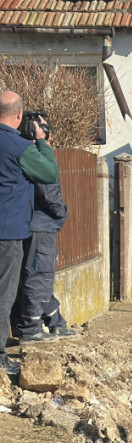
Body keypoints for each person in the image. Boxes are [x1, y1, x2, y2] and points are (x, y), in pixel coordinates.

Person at [0, 91, 60, 375]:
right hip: (8, 233)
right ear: (19, 115)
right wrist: (42, 142)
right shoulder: (17, 145)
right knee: (4, 294)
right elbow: (48, 173)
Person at [13, 166, 77, 342]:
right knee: (39, 276)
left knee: (38, 277)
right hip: (40, 226)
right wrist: (61, 212)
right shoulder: (36, 158)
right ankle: (31, 329)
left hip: (26, 225)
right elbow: (49, 194)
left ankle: (55, 322)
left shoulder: (18, 155)